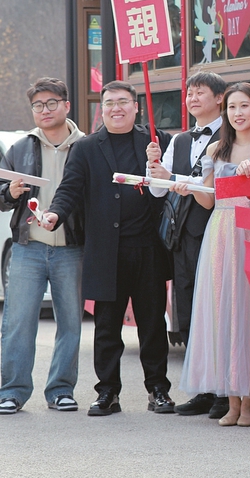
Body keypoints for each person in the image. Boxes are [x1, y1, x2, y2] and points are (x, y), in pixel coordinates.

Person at [42, 81, 175, 417]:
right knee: (106, 327)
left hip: (148, 248)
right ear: (102, 109)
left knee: (152, 325)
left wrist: (162, 168)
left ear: (136, 107)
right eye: (110, 103)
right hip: (105, 251)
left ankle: (158, 389)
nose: (116, 108)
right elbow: (70, 189)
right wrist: (56, 213)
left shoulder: (156, 141)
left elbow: (174, 184)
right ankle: (107, 392)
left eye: (123, 102)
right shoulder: (86, 148)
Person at [179, 83, 250, 428]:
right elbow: (208, 200)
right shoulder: (216, 150)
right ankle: (232, 400)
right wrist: (189, 189)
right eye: (232, 107)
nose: (237, 113)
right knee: (223, 313)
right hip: (221, 232)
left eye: (244, 106)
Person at [0, 78, 85, 415]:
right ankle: (12, 391)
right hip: (28, 247)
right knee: (18, 323)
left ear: (66, 105)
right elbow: (1, 196)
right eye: (38, 105)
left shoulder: (86, 146)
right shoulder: (20, 148)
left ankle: (61, 390)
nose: (45, 110)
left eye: (52, 103)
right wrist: (10, 193)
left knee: (71, 323)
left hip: (72, 247)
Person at [146, 71, 227, 419]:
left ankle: (226, 391)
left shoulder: (231, 134)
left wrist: (173, 178)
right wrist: (153, 166)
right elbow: (157, 189)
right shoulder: (179, 140)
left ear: (219, 98)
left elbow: (217, 187)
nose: (192, 98)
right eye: (189, 93)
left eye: (200, 92)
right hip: (183, 237)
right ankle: (203, 389)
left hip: (220, 231)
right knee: (191, 310)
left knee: (219, 309)